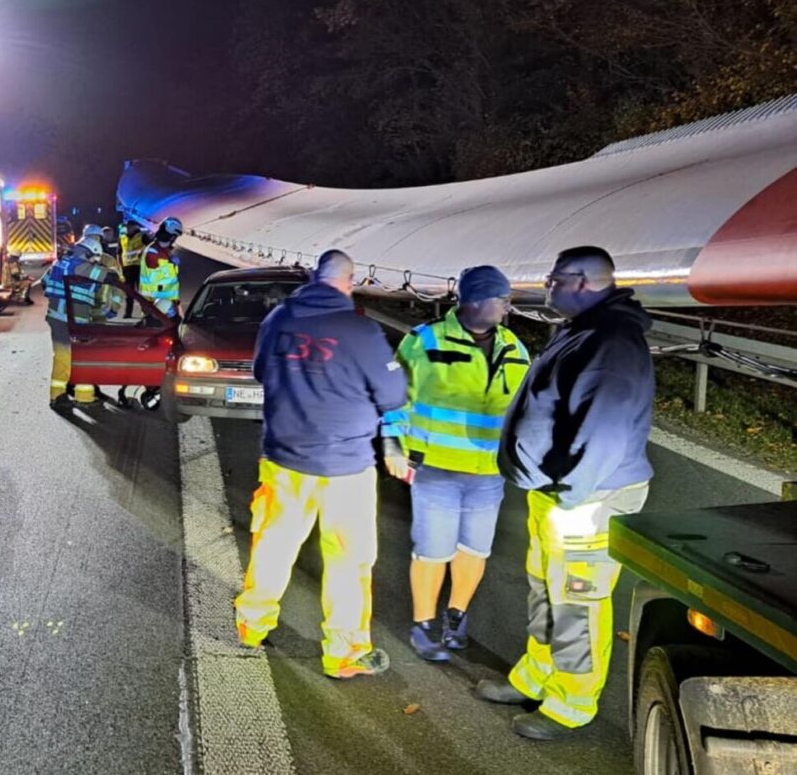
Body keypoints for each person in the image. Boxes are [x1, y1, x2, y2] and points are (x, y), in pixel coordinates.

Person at [475, 246, 654, 741]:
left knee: (577, 601)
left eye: (553, 280)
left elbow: (604, 432)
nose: (547, 287)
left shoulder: (611, 343)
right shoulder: (584, 331)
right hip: (557, 495)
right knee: (546, 590)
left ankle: (571, 703)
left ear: (580, 281)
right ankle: (538, 676)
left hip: (585, 500)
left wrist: (572, 498)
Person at [234, 249, 411, 679]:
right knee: (348, 560)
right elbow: (393, 394)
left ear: (315, 278)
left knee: (273, 546)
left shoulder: (278, 320)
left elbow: (260, 371)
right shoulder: (361, 331)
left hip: (284, 461)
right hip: (346, 468)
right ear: (348, 283)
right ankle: (343, 652)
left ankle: (252, 626)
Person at [395, 265, 530, 662]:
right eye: (502, 299)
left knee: (475, 550)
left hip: (488, 473)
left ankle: (456, 617)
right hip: (436, 468)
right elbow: (393, 399)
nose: (508, 307)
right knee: (433, 551)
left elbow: (523, 407)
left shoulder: (514, 347)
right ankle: (423, 625)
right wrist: (395, 448)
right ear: (473, 301)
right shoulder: (424, 341)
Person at [42, 236, 116, 408]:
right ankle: (84, 397)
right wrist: (112, 272)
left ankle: (58, 395)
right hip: (74, 320)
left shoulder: (59, 264)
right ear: (89, 253)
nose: (93, 262)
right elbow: (104, 276)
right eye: (93, 258)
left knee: (62, 356)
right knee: (83, 357)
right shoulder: (81, 265)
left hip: (56, 317)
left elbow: (45, 283)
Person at [139, 217, 183, 318]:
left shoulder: (164, 251)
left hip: (168, 303)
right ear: (172, 237)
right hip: (158, 305)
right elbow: (156, 266)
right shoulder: (153, 252)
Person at [118, 220, 147, 318]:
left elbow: (149, 247)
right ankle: (128, 313)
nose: (128, 228)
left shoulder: (142, 236)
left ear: (135, 227)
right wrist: (120, 266)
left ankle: (145, 312)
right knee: (129, 292)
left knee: (142, 292)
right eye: (127, 227)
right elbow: (119, 252)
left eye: (130, 227)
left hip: (139, 267)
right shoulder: (122, 237)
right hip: (127, 268)